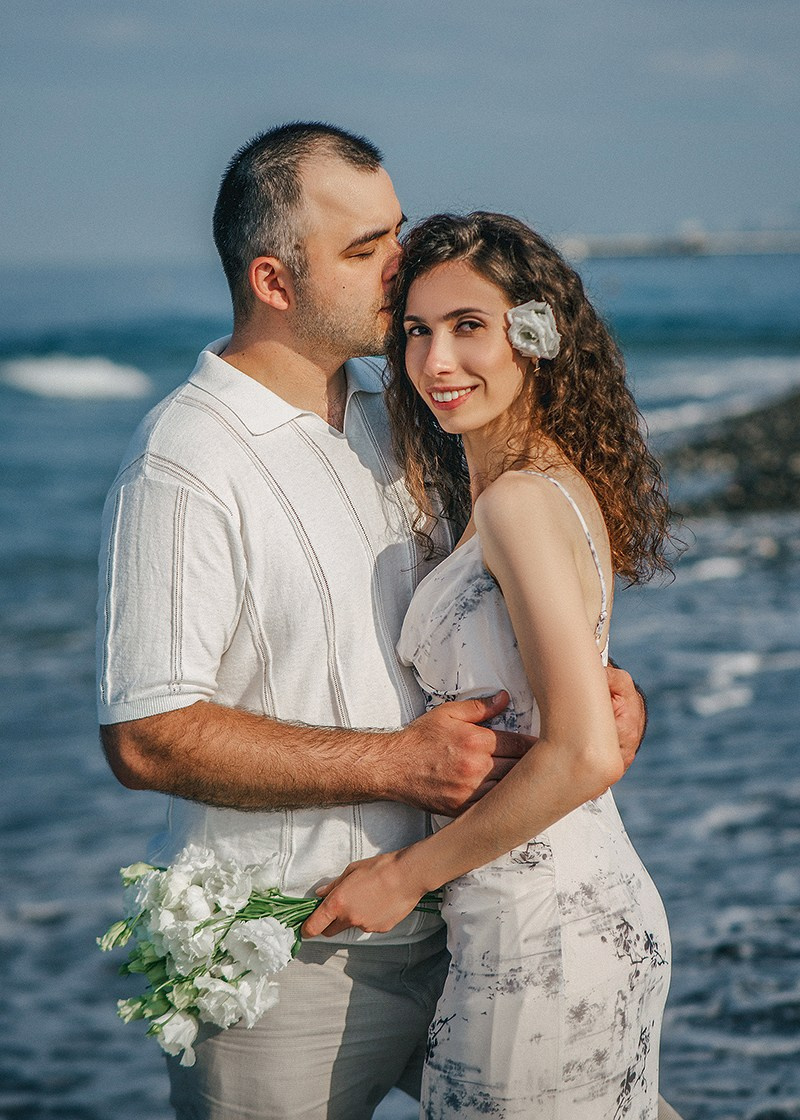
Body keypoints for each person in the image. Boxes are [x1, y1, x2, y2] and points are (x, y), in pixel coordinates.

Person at [97, 123, 650, 1120]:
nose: (402, 270)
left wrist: (603, 696)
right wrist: (398, 765)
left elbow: (501, 596)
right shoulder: (185, 460)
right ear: (274, 281)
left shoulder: (396, 412)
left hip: (471, 921)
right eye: (365, 251)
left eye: (394, 232)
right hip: (296, 956)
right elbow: (146, 734)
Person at [302, 212, 677, 1117]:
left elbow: (583, 754)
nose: (436, 361)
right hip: (552, 911)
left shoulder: (517, 501)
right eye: (418, 331)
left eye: (470, 326)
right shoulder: (538, 482)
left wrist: (402, 876)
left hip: (546, 926)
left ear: (537, 335)